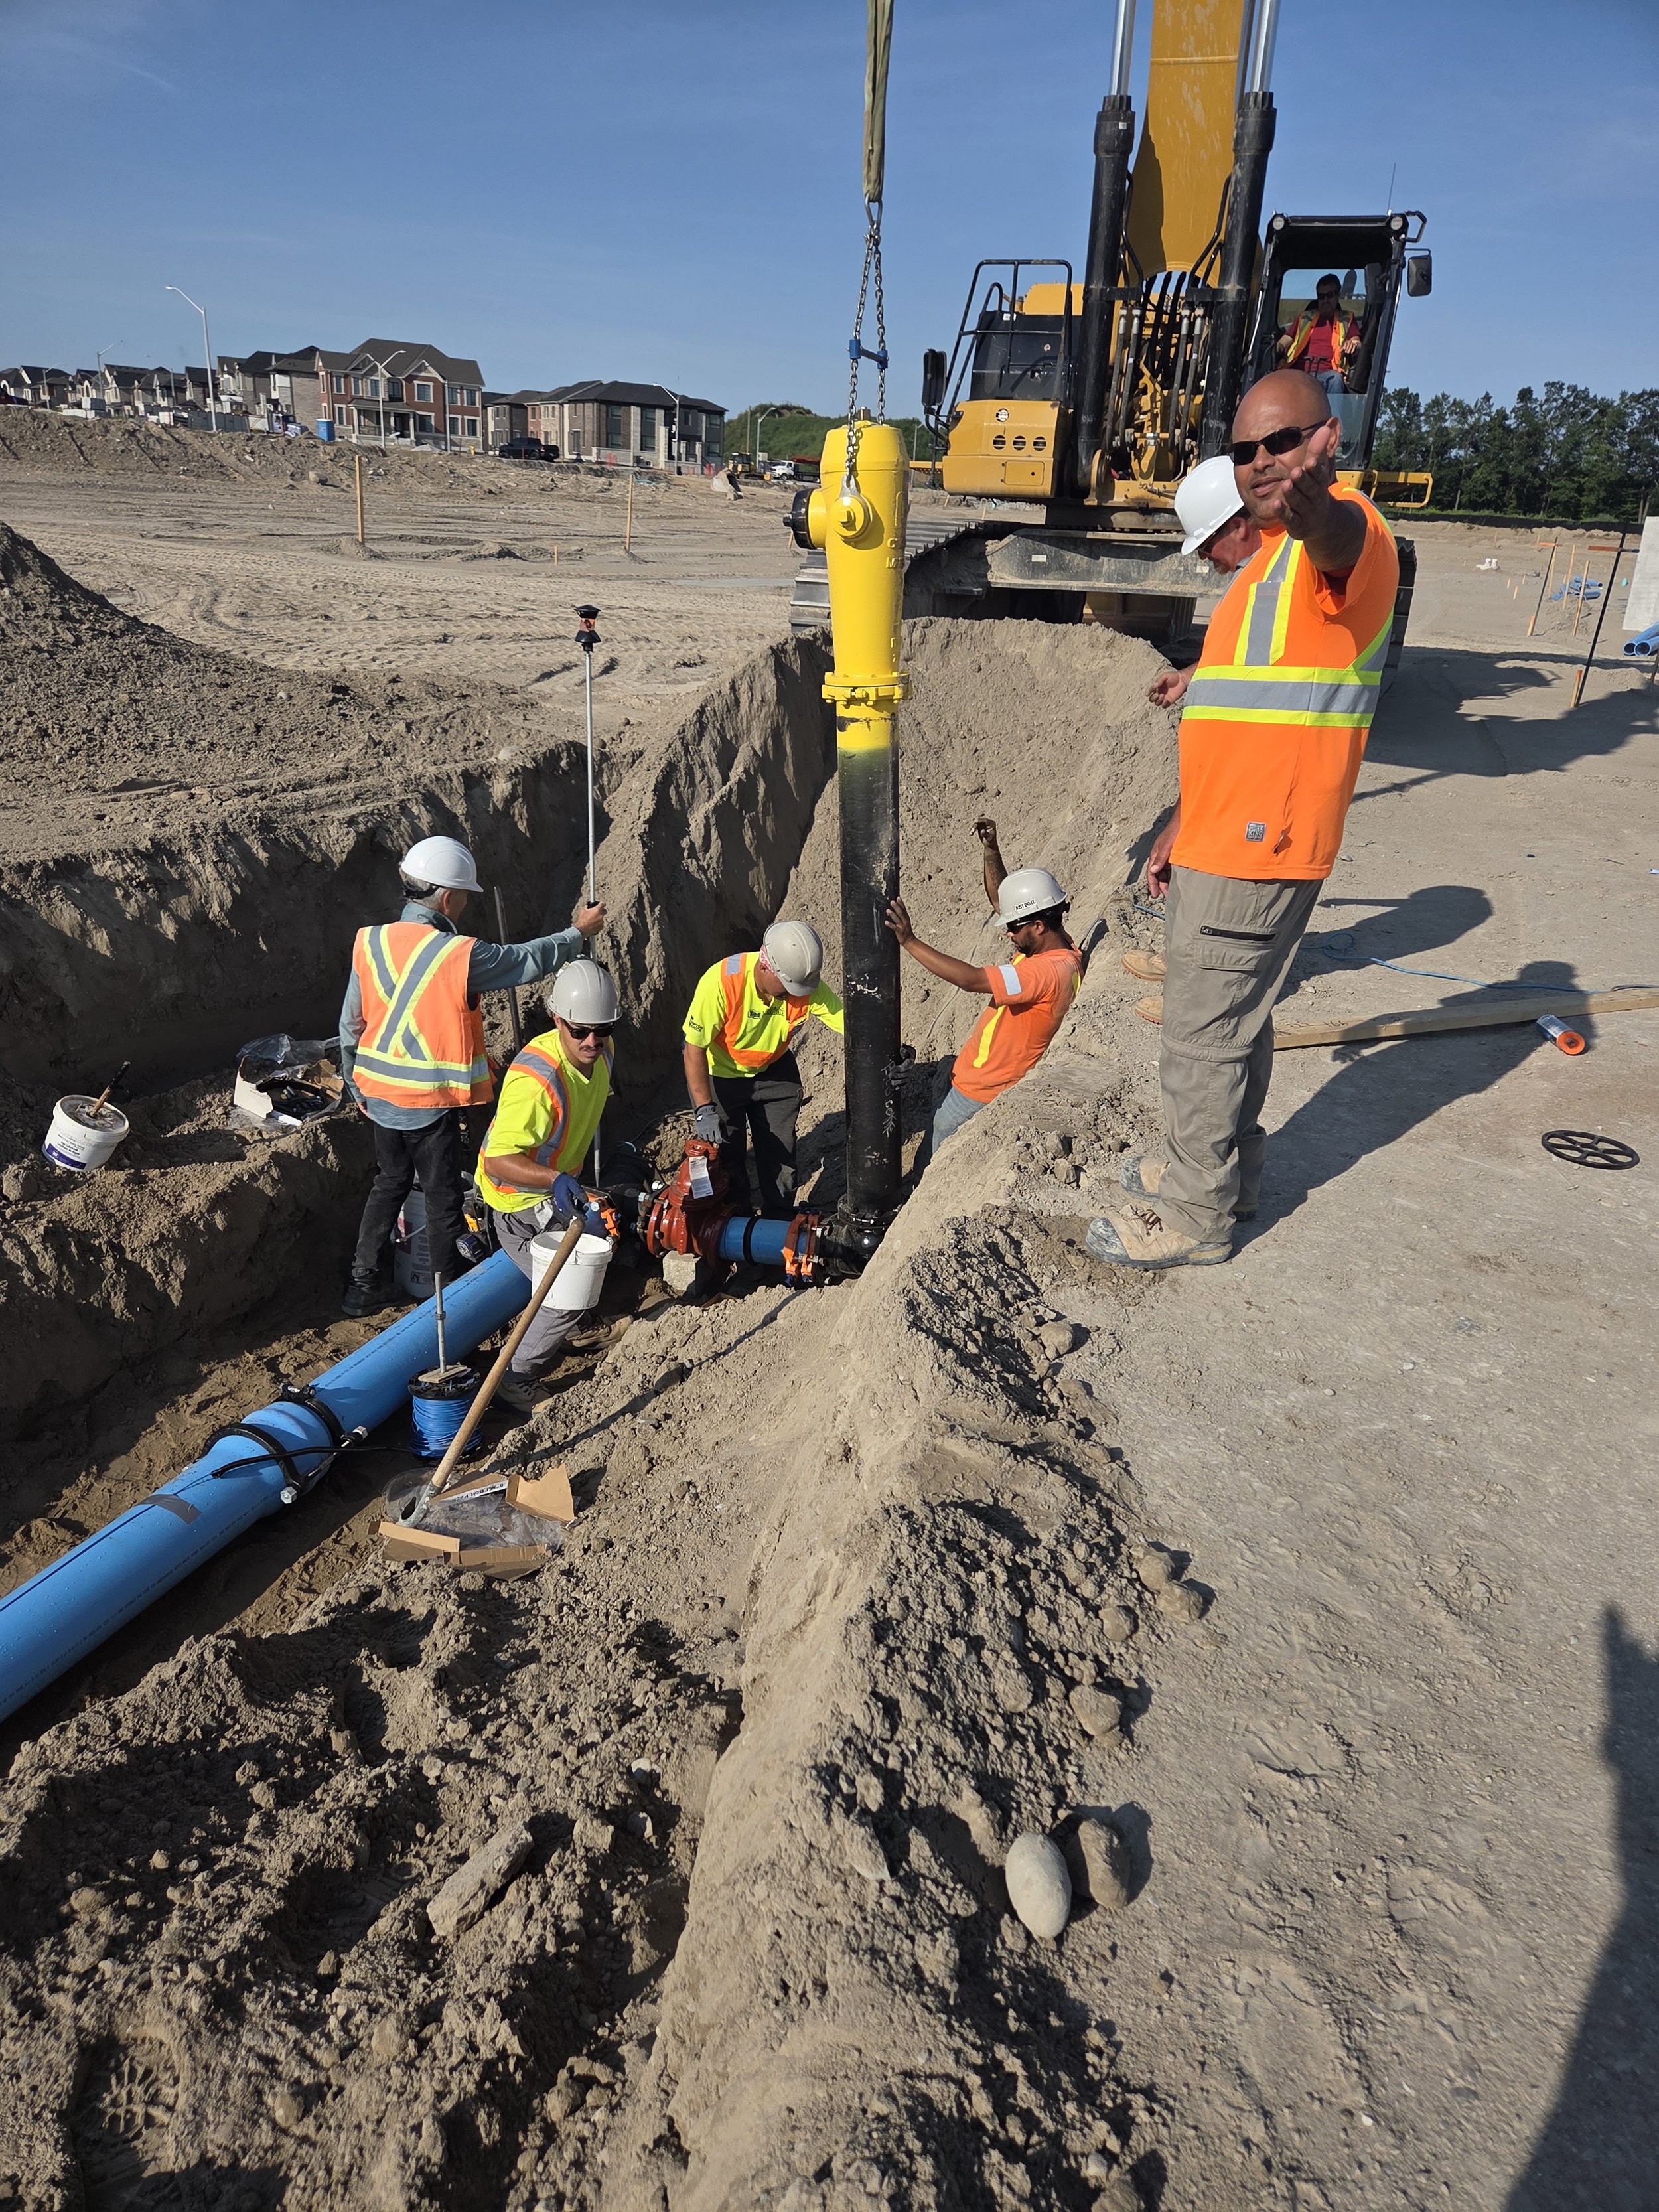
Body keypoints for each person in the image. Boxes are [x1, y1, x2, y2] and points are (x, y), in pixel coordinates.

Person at [1086, 368, 1400, 1270]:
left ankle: (1194, 1214)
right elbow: (1243, 706)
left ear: (1326, 439)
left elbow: (1338, 540)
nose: (1265, 463)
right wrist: (1179, 824)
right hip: (1228, 832)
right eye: (1247, 450)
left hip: (1266, 841)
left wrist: (1315, 510)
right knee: (1234, 1025)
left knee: (1199, 1034)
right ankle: (1225, 1169)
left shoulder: (1346, 535)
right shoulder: (1261, 574)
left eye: (1284, 443)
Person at [339, 834, 604, 1318]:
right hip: (428, 1104)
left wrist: (357, 1084)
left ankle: (361, 1288)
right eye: (463, 896)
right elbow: (522, 962)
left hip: (379, 1100)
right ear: (445, 897)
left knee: (390, 1184)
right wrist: (576, 934)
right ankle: (444, 1309)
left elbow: (350, 1025)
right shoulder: (455, 954)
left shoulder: (370, 941)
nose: (463, 905)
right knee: (441, 1203)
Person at [1125, 455, 1266, 986]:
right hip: (1220, 788)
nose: (1207, 559)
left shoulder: (1269, 590)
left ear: (1238, 524)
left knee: (1224, 899)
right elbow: (1239, 664)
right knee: (1200, 888)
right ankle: (1185, 963)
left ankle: (1198, 989)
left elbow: (1244, 730)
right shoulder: (1254, 587)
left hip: (1242, 795)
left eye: (1207, 545)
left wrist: (1182, 818)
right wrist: (1190, 674)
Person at [473, 961, 618, 1413]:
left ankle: (570, 1331)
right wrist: (556, 1179)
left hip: (554, 1191)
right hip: (516, 1203)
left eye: (602, 1029)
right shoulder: (536, 1084)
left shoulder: (603, 1053)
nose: (592, 1040)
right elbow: (499, 1159)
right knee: (569, 1289)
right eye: (580, 1031)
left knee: (600, 1245)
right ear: (558, 1021)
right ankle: (514, 1375)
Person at [885, 830, 1081, 1165]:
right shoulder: (1059, 944)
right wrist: (992, 851)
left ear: (1037, 925)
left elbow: (970, 979)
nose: (1008, 933)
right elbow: (1001, 902)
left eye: (1013, 928)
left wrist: (910, 941)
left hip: (980, 1089)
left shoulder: (1044, 973)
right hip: (973, 1073)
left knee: (929, 1163)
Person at [682, 921, 844, 1216]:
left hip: (774, 1071)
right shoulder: (721, 983)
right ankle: (735, 1224)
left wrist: (892, 1048)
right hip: (723, 1077)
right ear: (767, 966)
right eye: (789, 987)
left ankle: (778, 1221)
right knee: (726, 1158)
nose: (796, 994)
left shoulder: (802, 985)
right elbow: (693, 1049)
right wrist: (704, 1108)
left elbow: (853, 1024)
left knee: (779, 1157)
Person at [1275, 274, 1360, 400]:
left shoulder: (1347, 319)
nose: (1325, 300)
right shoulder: (1304, 317)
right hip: (1298, 371)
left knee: (1336, 380)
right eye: (1321, 296)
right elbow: (1285, 340)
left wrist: (1353, 345)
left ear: (1338, 295)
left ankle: (1333, 418)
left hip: (1328, 374)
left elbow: (1357, 343)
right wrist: (1279, 348)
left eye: (1330, 295)